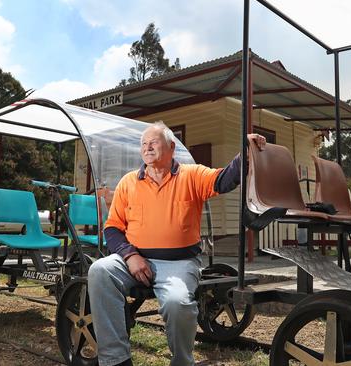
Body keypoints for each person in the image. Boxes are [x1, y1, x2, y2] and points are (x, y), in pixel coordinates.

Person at [88, 121, 266, 366]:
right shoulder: (128, 182)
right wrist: (130, 256)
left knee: (177, 302)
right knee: (99, 270)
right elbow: (113, 228)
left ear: (171, 147)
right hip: (133, 259)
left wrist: (246, 153)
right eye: (143, 144)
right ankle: (115, 360)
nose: (147, 147)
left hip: (179, 262)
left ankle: (183, 362)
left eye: (154, 142)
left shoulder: (191, 175)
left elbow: (224, 180)